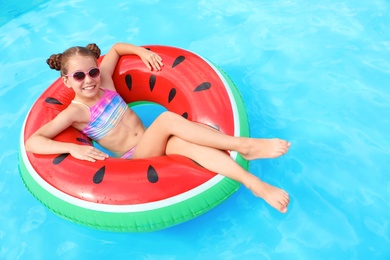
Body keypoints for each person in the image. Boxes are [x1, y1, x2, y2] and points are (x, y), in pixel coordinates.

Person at [26, 42, 291, 213]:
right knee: (166, 120)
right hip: (135, 158)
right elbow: (34, 141)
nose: (88, 80)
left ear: (98, 69)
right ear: (66, 80)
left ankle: (254, 183)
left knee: (187, 145)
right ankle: (245, 145)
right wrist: (72, 149)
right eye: (79, 76)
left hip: (154, 143)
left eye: (92, 72)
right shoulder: (74, 112)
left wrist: (141, 52)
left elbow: (116, 49)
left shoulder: (105, 81)